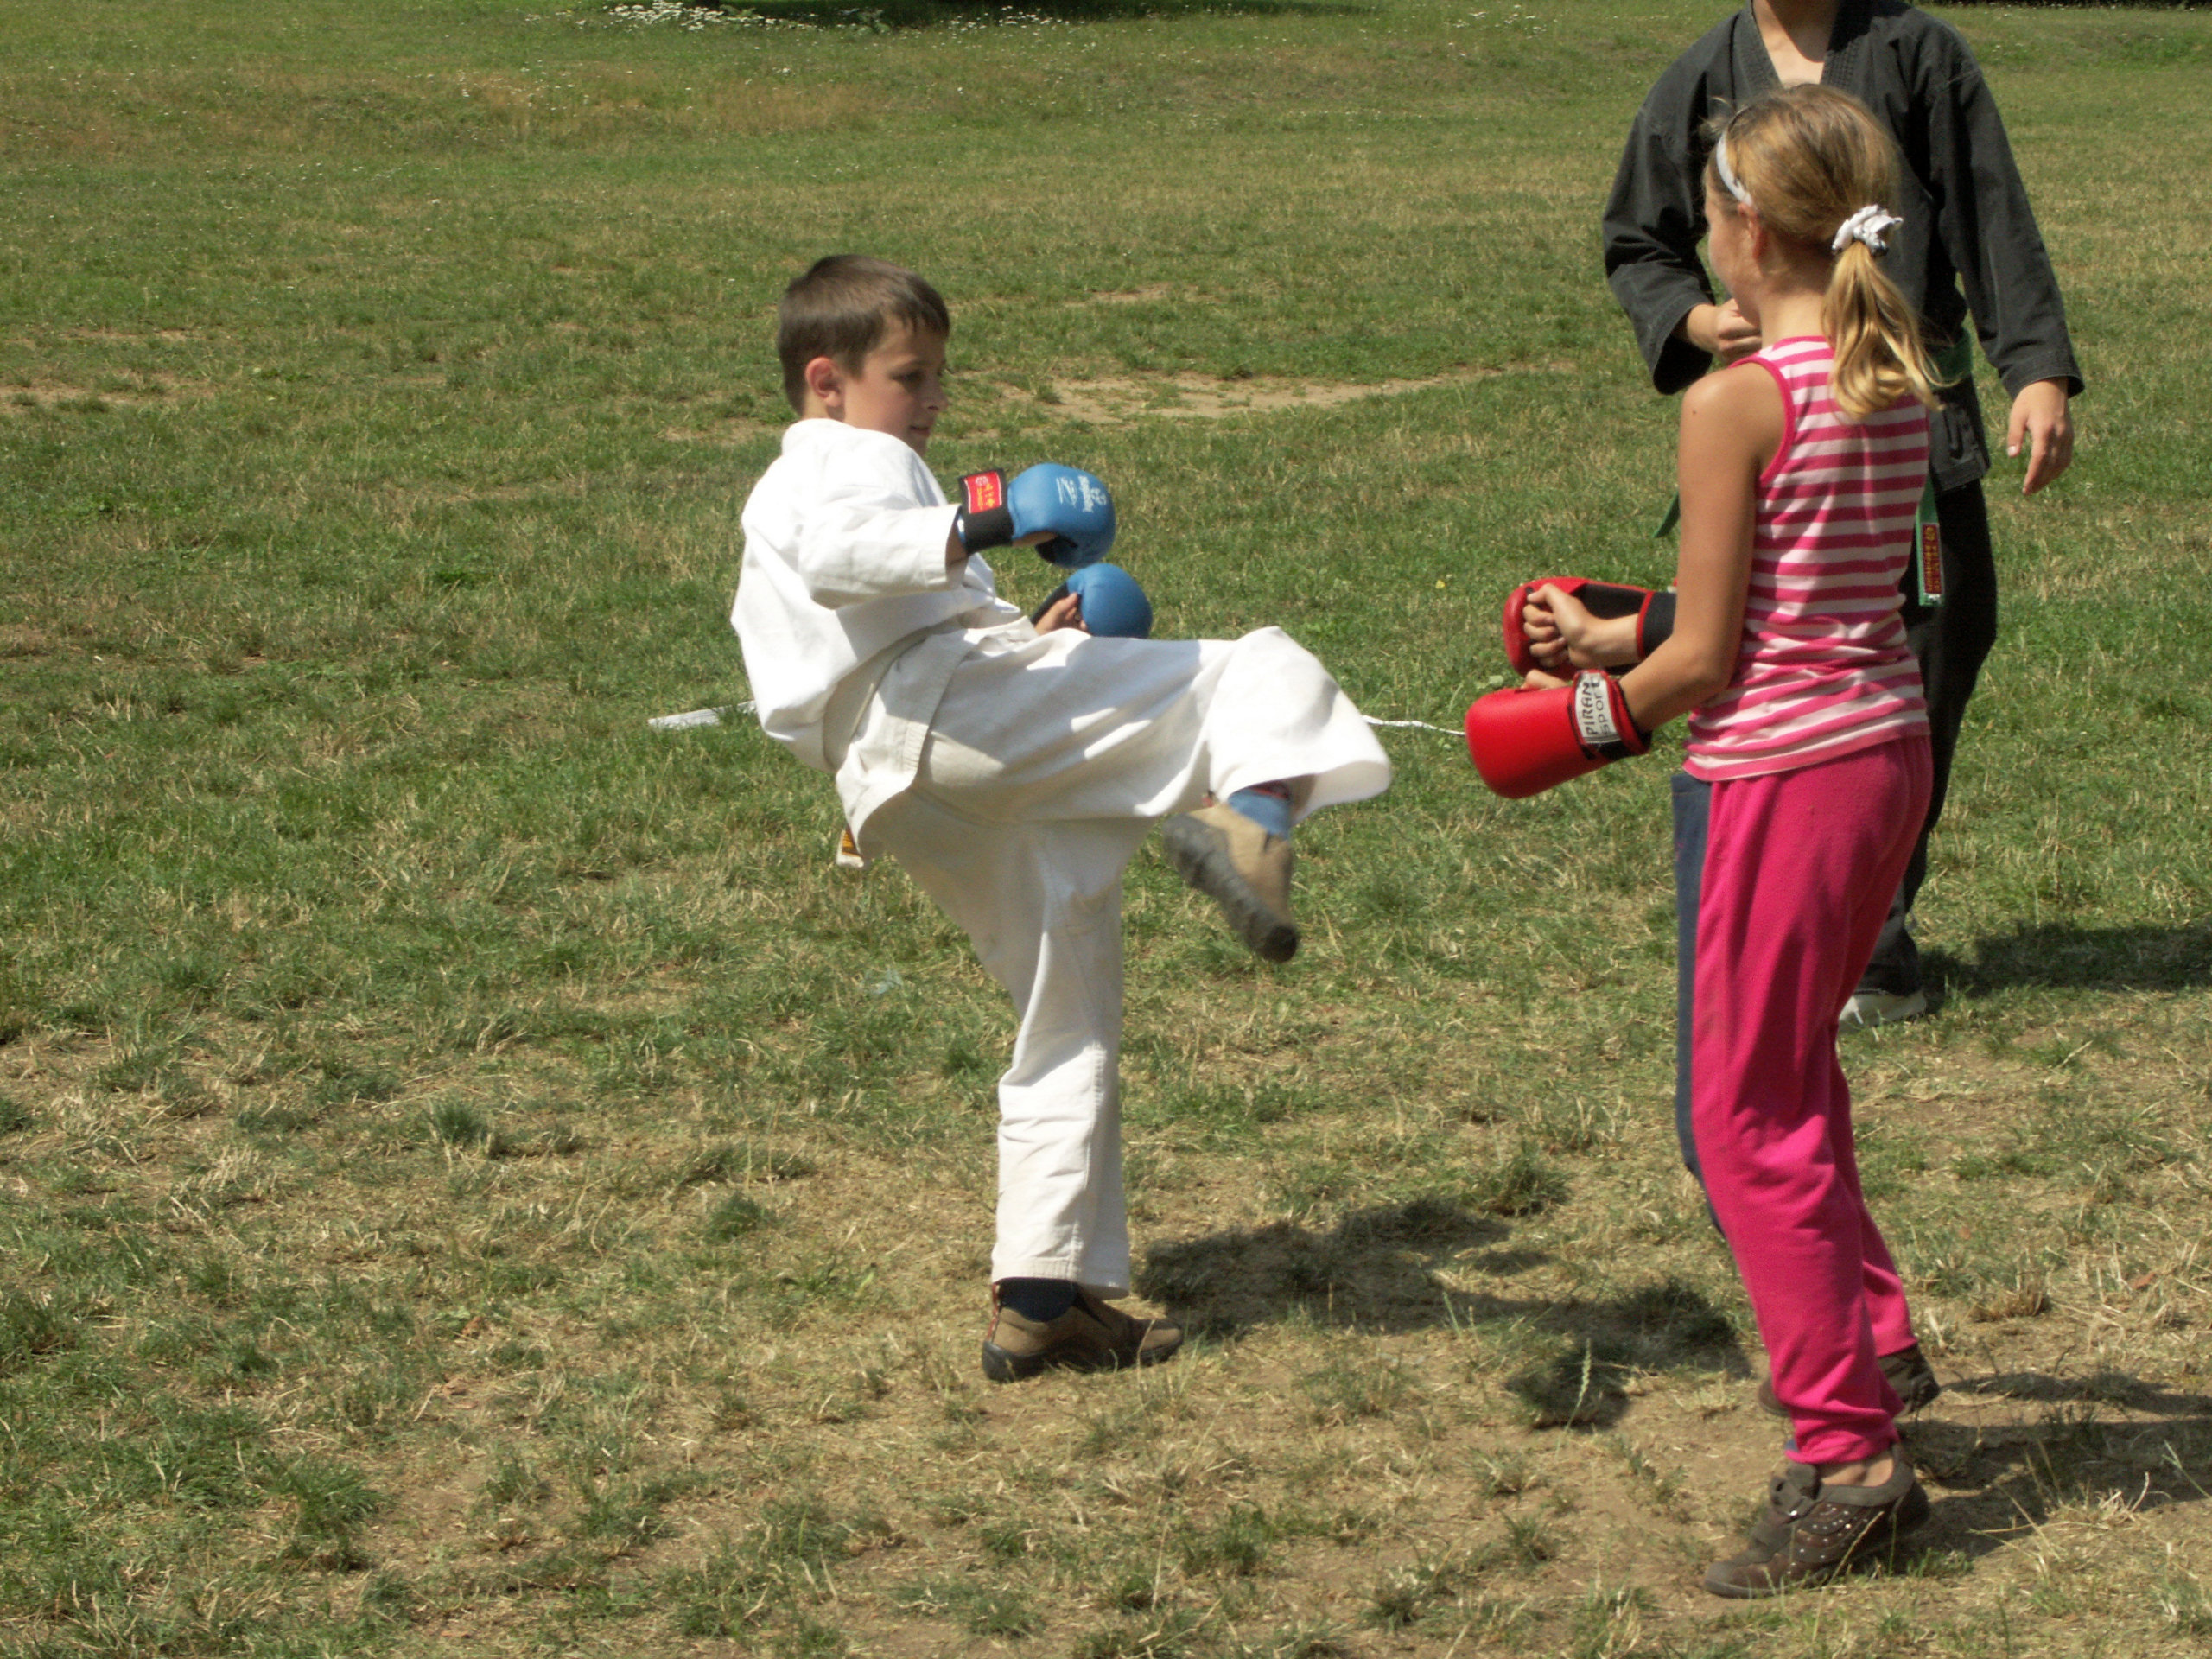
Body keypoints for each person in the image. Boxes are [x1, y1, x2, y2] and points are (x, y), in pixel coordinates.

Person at [732, 255, 1392, 1383]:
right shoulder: (833, 459)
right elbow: (845, 559)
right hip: (945, 719)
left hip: (905, 781)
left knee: (1068, 1009)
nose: (932, 400)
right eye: (909, 376)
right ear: (826, 382)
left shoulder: (852, 478)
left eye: (938, 376)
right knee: (1253, 672)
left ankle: (1042, 1300)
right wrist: (983, 516)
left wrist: (1042, 631)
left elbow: (893, 606)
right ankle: (1240, 819)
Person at [1484, 85, 1942, 1594]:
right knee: (1794, 1078)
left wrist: (1572, 720)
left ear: (1744, 229)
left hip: (1781, 782)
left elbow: (1704, 665)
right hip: (1881, 756)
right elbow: (1794, 596)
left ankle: (1851, 1459)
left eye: (1702, 211)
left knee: (1744, 1119)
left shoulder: (1732, 400)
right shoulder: (1889, 376)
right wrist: (1613, 631)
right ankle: (1874, 1338)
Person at [1602, 0, 2081, 1029]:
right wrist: (1695, 317)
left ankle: (1869, 930)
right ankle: (1830, 932)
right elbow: (1636, 239)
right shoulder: (1702, 73)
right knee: (1770, 635)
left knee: (1935, 642)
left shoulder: (1917, 54)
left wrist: (2035, 367)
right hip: (1782, 432)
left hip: (1908, 418)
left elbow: (1989, 212)